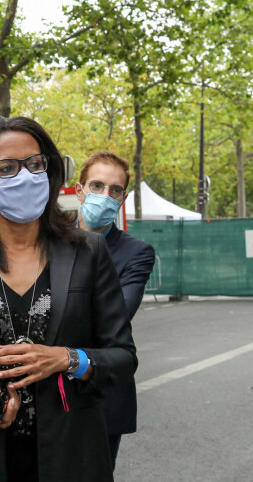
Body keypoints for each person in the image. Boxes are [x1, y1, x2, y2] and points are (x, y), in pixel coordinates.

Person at [0, 116, 137, 482]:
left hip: (73, 452)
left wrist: (67, 359)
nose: (26, 176)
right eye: (7, 169)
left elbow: (122, 356)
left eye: (35, 164)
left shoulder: (88, 250)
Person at [76, 151, 155, 470]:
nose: (105, 195)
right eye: (96, 185)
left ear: (122, 198)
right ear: (79, 190)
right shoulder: (45, 240)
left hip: (102, 391)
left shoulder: (137, 253)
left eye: (115, 189)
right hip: (43, 394)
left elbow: (117, 317)